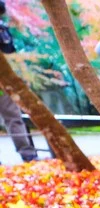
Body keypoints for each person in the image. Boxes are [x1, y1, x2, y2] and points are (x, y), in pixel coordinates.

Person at [0, 0, 37, 164]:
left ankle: (27, 152)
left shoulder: (3, 29)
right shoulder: (3, 29)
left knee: (13, 117)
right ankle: (27, 153)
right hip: (5, 81)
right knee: (13, 118)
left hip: (4, 81)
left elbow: (10, 53)